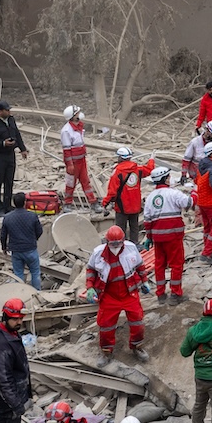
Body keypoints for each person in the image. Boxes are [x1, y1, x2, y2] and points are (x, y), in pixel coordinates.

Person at [85, 226, 150, 366]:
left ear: (123, 241)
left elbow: (140, 266)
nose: (116, 247)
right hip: (109, 294)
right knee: (106, 326)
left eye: (118, 243)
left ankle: (137, 346)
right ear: (107, 242)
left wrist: (144, 281)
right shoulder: (98, 253)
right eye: (112, 244)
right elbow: (90, 270)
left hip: (129, 292)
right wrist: (90, 288)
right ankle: (106, 352)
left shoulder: (131, 249)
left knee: (137, 322)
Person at [142, 167, 192, 303]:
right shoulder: (173, 193)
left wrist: (149, 237)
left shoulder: (150, 197)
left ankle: (161, 293)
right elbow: (188, 202)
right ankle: (175, 294)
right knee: (176, 264)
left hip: (158, 238)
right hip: (173, 236)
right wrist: (195, 193)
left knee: (159, 265)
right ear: (165, 178)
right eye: (169, 177)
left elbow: (147, 220)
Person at [0, 100, 28, 217]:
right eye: (7, 110)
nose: (9, 111)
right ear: (0, 111)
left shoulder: (11, 120)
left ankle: (8, 205)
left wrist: (22, 149)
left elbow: (17, 134)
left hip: (10, 155)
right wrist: (2, 143)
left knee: (9, 181)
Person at [102, 148, 155, 244]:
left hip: (122, 207)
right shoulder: (137, 169)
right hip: (135, 206)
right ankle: (135, 245)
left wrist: (105, 203)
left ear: (120, 158)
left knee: (121, 229)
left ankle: (122, 246)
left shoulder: (117, 172)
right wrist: (151, 160)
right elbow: (149, 170)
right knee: (134, 228)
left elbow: (112, 191)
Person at [60, 106, 101, 213]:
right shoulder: (66, 131)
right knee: (70, 184)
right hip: (73, 162)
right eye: (77, 113)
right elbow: (67, 150)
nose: (80, 114)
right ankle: (67, 203)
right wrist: (69, 164)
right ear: (73, 116)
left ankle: (93, 202)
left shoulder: (78, 127)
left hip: (81, 160)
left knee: (86, 182)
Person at [1, 192, 44, 290]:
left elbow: (3, 235)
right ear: (25, 202)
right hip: (30, 249)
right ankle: (37, 293)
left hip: (16, 251)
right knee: (35, 272)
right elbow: (39, 231)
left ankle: (20, 294)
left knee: (18, 274)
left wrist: (4, 247)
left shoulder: (7, 217)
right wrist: (34, 239)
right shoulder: (32, 216)